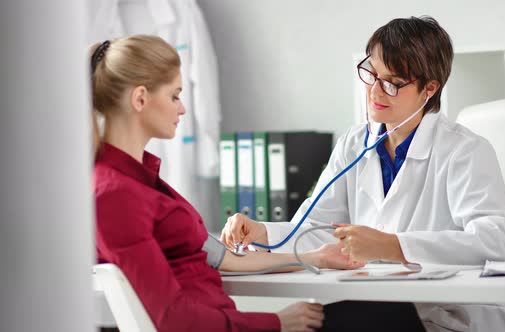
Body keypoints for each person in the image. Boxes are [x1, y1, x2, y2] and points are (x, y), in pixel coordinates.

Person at [221, 16, 505, 332]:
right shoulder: (355, 143)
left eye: (392, 82)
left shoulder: (464, 150)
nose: (375, 91)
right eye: (371, 74)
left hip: (450, 316)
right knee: (314, 321)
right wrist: (262, 233)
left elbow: (495, 240)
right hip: (376, 304)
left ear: (429, 88)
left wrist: (394, 246)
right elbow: (316, 229)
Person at [91, 35, 367, 332]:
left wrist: (315, 257)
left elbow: (221, 257)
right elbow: (174, 319)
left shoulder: (142, 182)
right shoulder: (116, 195)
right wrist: (277, 322)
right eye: (174, 96)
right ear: (140, 99)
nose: (182, 109)